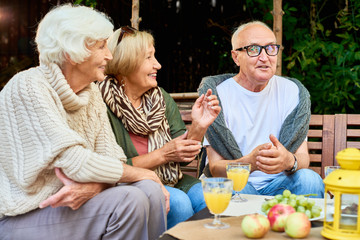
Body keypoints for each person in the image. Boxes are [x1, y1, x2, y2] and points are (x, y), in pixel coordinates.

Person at [0, 4, 169, 240]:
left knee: (150, 190)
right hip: (26, 214)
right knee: (129, 199)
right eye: (101, 46)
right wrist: (143, 173)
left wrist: (98, 186)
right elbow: (73, 161)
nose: (109, 56)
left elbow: (113, 160)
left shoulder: (91, 94)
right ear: (72, 52)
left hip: (73, 206)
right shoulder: (28, 87)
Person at [98, 27, 221, 228]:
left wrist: (199, 126)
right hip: (126, 185)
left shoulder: (160, 98)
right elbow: (109, 167)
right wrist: (163, 154)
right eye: (149, 58)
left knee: (211, 196)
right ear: (126, 64)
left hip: (171, 181)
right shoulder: (99, 103)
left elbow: (185, 157)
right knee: (179, 204)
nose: (158, 65)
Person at [198, 21, 324, 198]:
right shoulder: (217, 95)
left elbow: (303, 159)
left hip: (280, 185)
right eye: (254, 49)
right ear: (236, 57)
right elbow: (215, 168)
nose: (265, 57)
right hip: (236, 184)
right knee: (221, 188)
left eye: (271, 48)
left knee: (309, 180)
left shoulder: (293, 92)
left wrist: (289, 160)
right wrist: (248, 164)